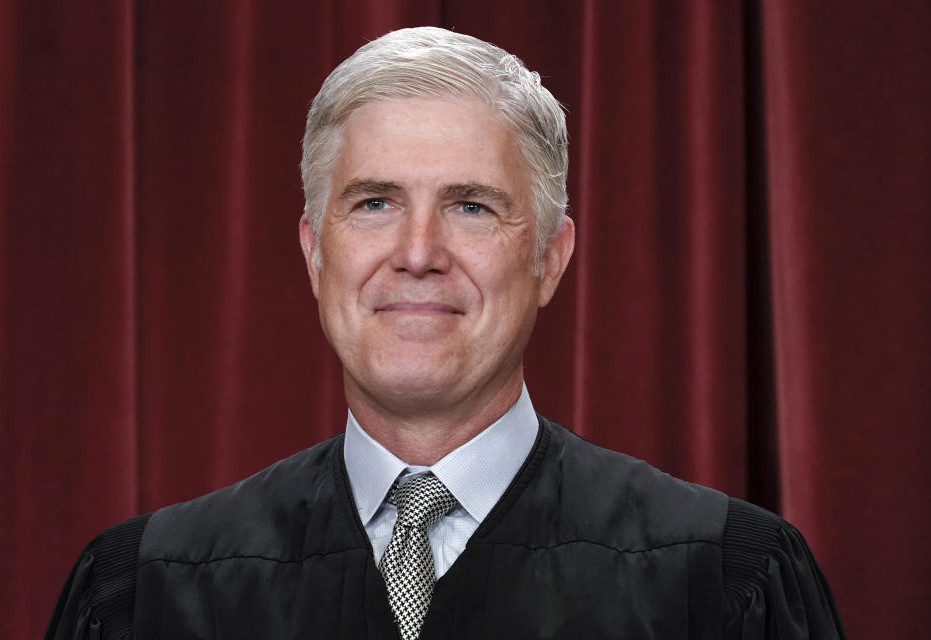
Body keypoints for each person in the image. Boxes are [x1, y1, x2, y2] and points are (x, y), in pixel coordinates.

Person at [46, 27, 845, 639]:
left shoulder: (721, 582)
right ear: (314, 252)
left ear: (549, 259)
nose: (419, 254)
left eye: (471, 205)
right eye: (373, 203)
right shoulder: (150, 594)